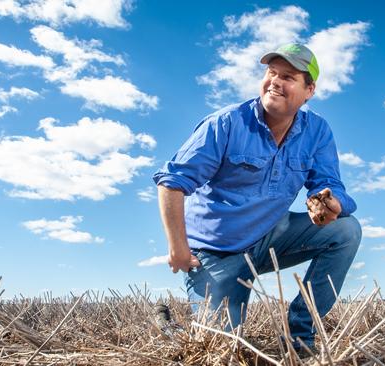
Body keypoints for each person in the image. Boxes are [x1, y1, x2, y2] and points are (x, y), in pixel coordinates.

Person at [153, 43, 362, 352]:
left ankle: (300, 339)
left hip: (271, 238)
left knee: (346, 230)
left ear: (309, 90)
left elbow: (329, 183)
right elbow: (171, 183)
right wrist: (178, 248)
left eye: (288, 76)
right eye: (271, 72)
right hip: (217, 253)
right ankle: (168, 326)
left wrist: (332, 203)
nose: (275, 81)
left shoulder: (316, 131)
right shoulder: (226, 123)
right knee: (218, 349)